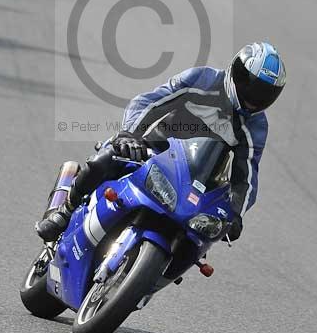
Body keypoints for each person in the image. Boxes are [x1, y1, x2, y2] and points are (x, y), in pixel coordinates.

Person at [36, 41, 286, 243]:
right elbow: (148, 102)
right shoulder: (202, 80)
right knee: (106, 158)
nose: (254, 98)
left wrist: (236, 214)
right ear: (236, 71)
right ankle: (65, 212)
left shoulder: (255, 126)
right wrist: (129, 134)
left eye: (265, 93)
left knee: (203, 235)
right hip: (155, 148)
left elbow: (247, 176)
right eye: (250, 85)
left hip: (197, 181)